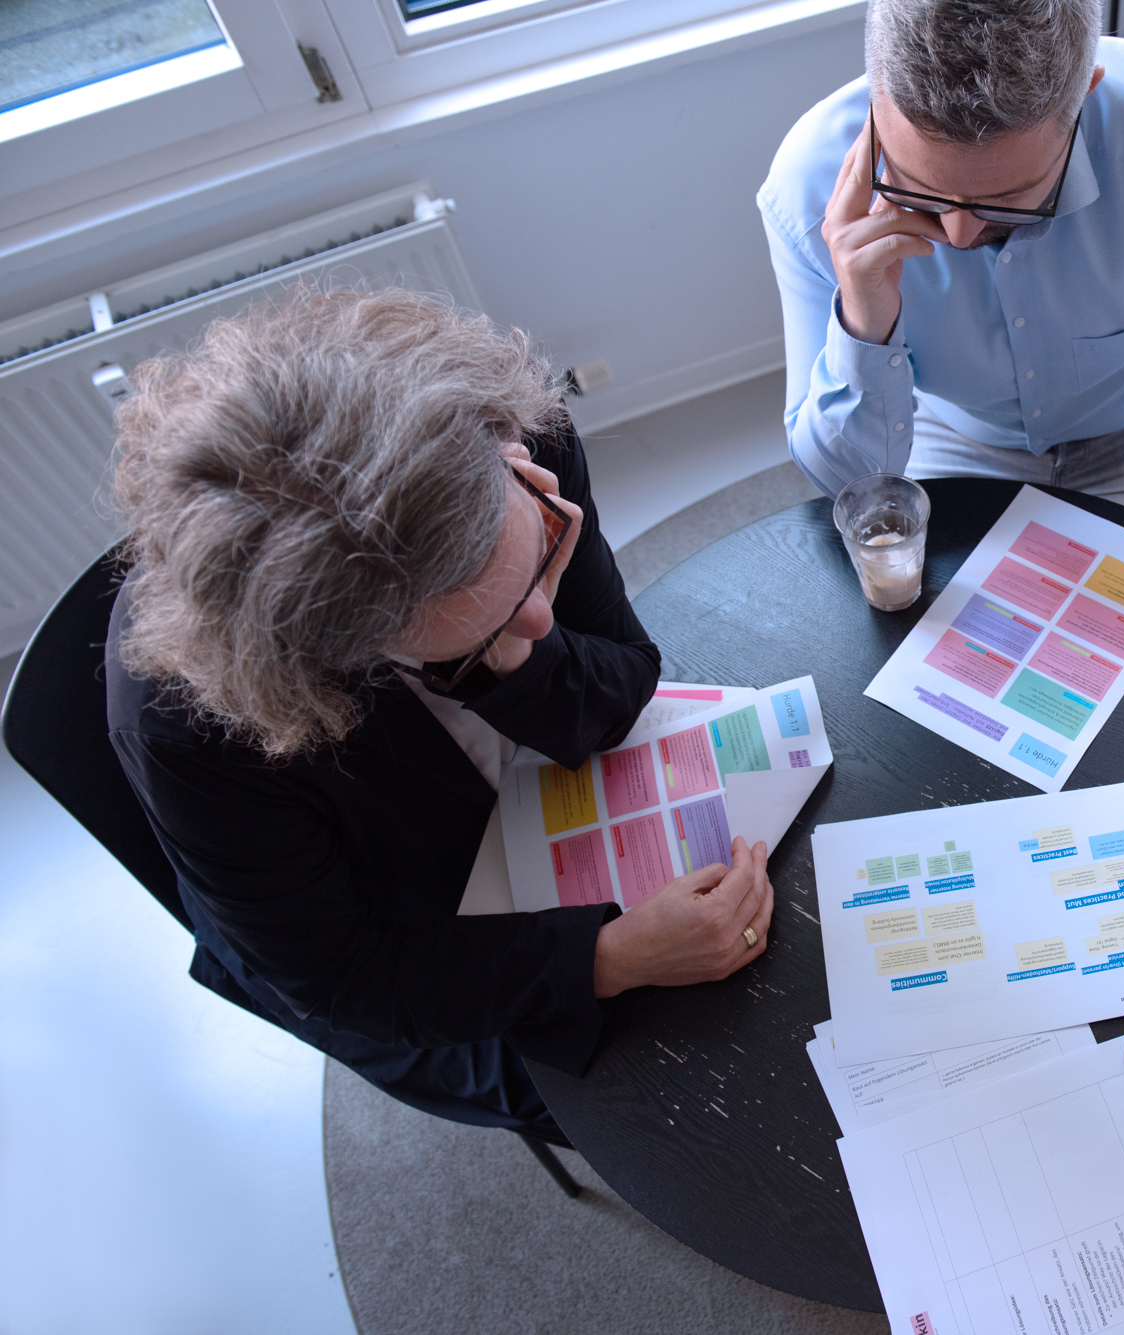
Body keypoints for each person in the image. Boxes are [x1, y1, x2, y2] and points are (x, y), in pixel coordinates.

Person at [106, 288, 775, 1144]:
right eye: (481, 632)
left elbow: (620, 686)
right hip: (412, 929)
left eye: (541, 554)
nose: (545, 622)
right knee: (670, 1116)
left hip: (538, 810)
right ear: (341, 652)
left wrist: (507, 654)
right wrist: (609, 959)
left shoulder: (517, 440)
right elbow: (342, 973)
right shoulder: (193, 723)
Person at [758, 0, 1124, 570]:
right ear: (877, 97)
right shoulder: (804, 191)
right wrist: (865, 326)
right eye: (922, 189)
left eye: (1008, 199)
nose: (960, 232)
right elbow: (845, 488)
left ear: (1084, 95)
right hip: (951, 429)